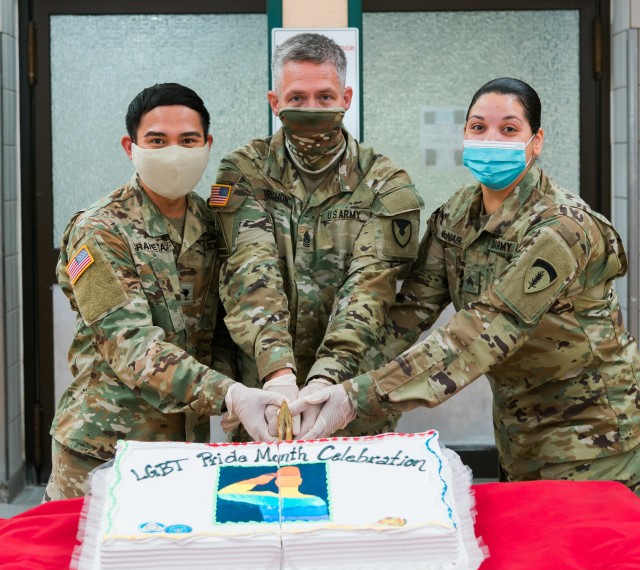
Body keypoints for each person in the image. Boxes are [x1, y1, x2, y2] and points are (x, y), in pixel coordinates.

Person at [290, 77, 640, 494]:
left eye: (509, 129)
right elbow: (409, 312)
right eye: (478, 127)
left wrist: (359, 396)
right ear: (464, 134)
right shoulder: (457, 215)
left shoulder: (561, 228)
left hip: (593, 433)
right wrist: (328, 382)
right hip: (518, 428)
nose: (491, 138)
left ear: (536, 140)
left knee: (580, 557)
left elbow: (485, 330)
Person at [45, 83, 284, 500]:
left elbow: (223, 327)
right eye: (157, 140)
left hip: (185, 450)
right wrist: (228, 394)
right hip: (103, 451)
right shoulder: (98, 231)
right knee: (79, 562)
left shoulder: (213, 225)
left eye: (188, 140)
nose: (174, 152)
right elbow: (130, 345)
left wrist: (248, 385)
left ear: (207, 144)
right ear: (130, 146)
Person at [211, 33, 422, 442]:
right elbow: (249, 272)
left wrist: (327, 378)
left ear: (346, 97)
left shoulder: (385, 182)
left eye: (324, 97)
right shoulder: (244, 171)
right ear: (275, 103)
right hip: (264, 398)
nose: (311, 109)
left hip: (350, 398)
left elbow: (370, 288)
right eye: (298, 97)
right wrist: (277, 374)